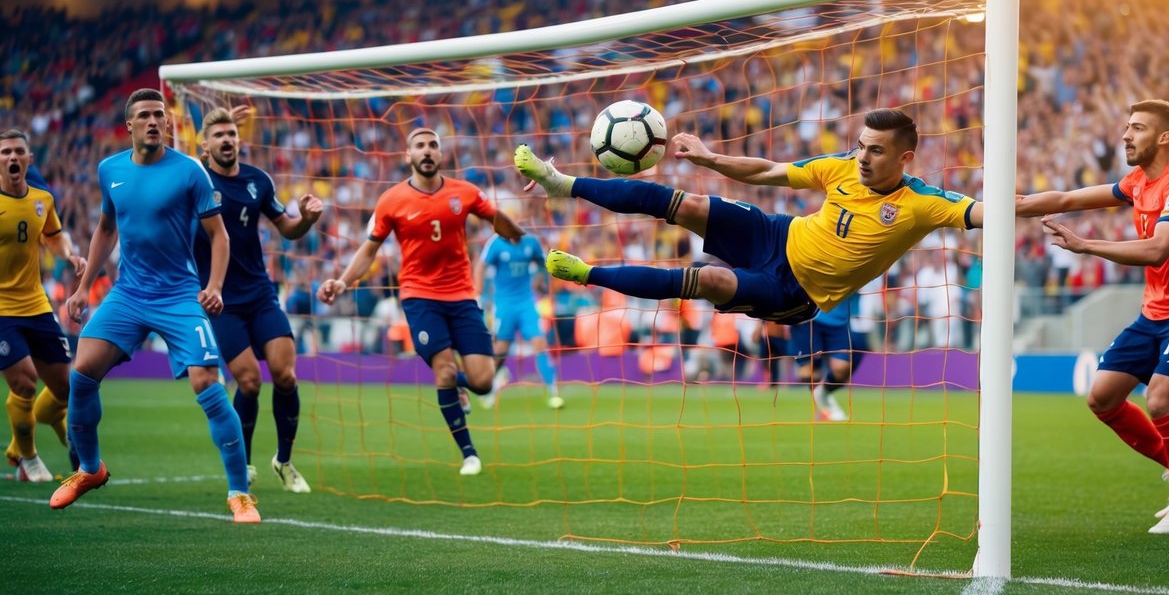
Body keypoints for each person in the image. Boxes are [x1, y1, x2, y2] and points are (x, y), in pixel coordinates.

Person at [513, 108, 983, 329]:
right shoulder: (841, 167)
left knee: (710, 280)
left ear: (904, 158)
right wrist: (711, 159)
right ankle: (561, 183)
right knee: (689, 204)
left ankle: (589, 274)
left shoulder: (923, 202)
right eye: (860, 144)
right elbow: (767, 170)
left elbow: (1006, 208)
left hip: (794, 293)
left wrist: (1062, 196)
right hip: (776, 235)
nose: (861, 156)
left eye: (874, 149)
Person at [1017, 99, 1169, 535]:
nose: (1126, 135)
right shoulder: (1137, 181)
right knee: (1102, 397)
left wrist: (1086, 246)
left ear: (1164, 137)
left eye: (1137, 128)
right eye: (1126, 126)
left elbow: (1157, 249)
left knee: (1161, 401)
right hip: (1155, 310)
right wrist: (1008, 205)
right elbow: (1067, 198)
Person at [53, 88, 259, 523]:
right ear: (129, 125)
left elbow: (219, 235)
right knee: (83, 370)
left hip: (179, 295)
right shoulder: (109, 169)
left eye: (159, 115)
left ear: (168, 123)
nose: (153, 121)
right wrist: (83, 287)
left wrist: (215, 286)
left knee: (207, 382)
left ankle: (240, 494)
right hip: (128, 293)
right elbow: (106, 228)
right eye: (144, 115)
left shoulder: (190, 171)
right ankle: (90, 469)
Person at [318, 127, 524, 476]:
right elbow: (369, 250)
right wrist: (342, 281)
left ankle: (461, 384)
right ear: (408, 156)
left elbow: (501, 224)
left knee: (485, 380)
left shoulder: (466, 192)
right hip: (419, 297)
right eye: (420, 146)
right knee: (443, 370)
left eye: (433, 145)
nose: (427, 151)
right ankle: (469, 454)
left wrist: (517, 230)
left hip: (461, 296)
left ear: (441, 155)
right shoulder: (391, 200)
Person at [193, 108, 324, 493]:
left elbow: (288, 229)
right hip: (220, 299)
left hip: (259, 293)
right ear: (206, 145)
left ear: (240, 138)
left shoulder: (258, 180)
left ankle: (283, 461)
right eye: (219, 135)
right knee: (249, 381)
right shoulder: (196, 180)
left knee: (286, 375)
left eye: (231, 134)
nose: (227, 140)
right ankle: (244, 463)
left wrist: (307, 221)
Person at [1, 130, 86, 482]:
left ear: (29, 159)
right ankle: (30, 458)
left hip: (35, 303)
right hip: (1, 309)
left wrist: (68, 253)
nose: (12, 158)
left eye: (18, 151)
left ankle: (35, 436)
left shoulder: (42, 198)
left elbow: (52, 234)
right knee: (24, 382)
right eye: (5, 152)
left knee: (66, 388)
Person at [475, 230, 563, 410]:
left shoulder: (531, 242)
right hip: (504, 304)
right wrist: (478, 294)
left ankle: (553, 392)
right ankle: (490, 387)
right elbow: (480, 266)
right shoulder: (496, 244)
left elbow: (541, 262)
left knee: (540, 343)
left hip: (526, 303)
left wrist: (540, 277)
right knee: (501, 349)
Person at [791, 293, 868, 422]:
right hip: (807, 317)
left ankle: (823, 394)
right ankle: (823, 410)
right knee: (807, 373)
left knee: (842, 369)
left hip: (839, 321)